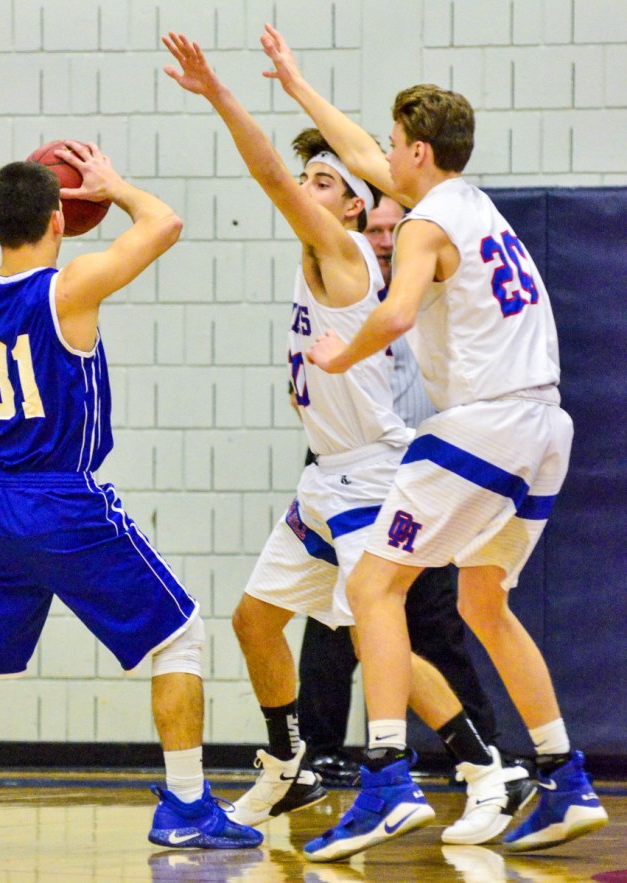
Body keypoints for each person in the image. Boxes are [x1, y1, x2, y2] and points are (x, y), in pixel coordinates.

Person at [162, 33, 533, 847]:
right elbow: (353, 150)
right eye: (309, 176)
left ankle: (463, 768)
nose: (306, 187)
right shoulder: (317, 246)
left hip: (372, 471)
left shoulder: (344, 258)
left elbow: (267, 174)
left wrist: (222, 95)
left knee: (380, 629)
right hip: (325, 477)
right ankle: (291, 761)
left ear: (355, 209)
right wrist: (296, 83)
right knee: (256, 621)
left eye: (325, 182)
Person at [260, 23, 609, 861]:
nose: (380, 157)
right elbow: (354, 146)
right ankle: (563, 775)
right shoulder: (469, 203)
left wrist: (341, 351)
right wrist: (299, 84)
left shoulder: (421, 229)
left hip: (483, 423)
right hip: (544, 428)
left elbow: (399, 310)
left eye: (390, 145)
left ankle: (385, 777)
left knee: (373, 589)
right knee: (484, 602)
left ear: (416, 150)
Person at [0, 146, 262, 852]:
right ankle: (185, 804)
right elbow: (165, 222)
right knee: (179, 634)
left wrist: (65, 207)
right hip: (61, 499)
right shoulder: (69, 289)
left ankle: (187, 802)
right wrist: (114, 188)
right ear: (59, 218)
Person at [298, 196, 500, 787]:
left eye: (395, 230)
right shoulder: (341, 283)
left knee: (435, 620)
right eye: (378, 230)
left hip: (419, 472)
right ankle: (322, 751)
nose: (386, 239)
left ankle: (480, 754)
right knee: (331, 618)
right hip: (349, 468)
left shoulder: (434, 294)